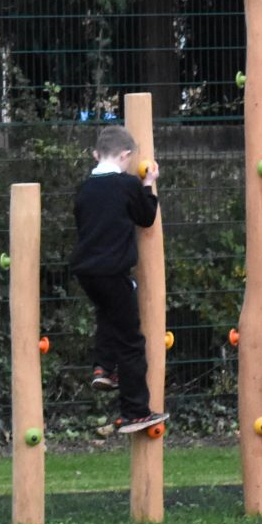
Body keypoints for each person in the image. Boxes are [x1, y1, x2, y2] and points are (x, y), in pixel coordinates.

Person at [70, 124, 166, 433]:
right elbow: (146, 217)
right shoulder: (127, 185)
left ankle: (103, 367)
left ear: (95, 154)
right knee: (131, 341)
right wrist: (149, 184)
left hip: (86, 271)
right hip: (113, 270)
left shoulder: (84, 188)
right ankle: (135, 412)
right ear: (126, 155)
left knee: (108, 317)